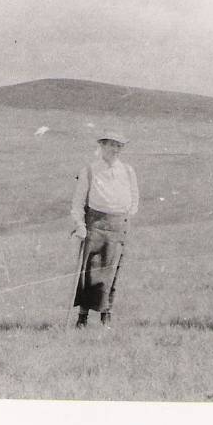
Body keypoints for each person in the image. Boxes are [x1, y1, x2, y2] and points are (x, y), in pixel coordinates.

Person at [70, 130, 138, 328]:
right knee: (89, 271)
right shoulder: (89, 170)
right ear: (102, 146)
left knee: (112, 271)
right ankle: (82, 318)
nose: (115, 149)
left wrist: (125, 216)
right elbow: (77, 202)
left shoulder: (127, 171)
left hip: (118, 225)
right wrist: (80, 225)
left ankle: (106, 316)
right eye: (111, 145)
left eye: (118, 146)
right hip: (95, 225)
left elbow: (134, 197)